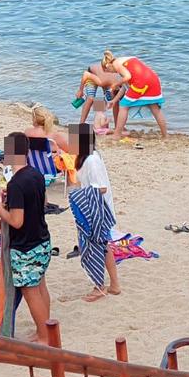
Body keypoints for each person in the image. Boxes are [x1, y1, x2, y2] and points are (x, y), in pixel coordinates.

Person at [0, 132, 53, 344]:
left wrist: (0, 210)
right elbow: (42, 203)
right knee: (40, 286)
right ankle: (45, 329)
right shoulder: (36, 174)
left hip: (26, 246)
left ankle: (45, 336)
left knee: (31, 291)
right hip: (42, 239)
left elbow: (16, 221)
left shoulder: (16, 183)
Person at [67, 123, 121, 302]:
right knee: (102, 246)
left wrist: (79, 196)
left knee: (97, 246)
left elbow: (101, 188)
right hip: (91, 208)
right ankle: (113, 285)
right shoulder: (84, 158)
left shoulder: (92, 160)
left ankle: (101, 286)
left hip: (97, 210)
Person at [104, 51, 168, 140]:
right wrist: (114, 101)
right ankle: (165, 135)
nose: (112, 73)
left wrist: (115, 85)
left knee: (123, 106)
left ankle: (117, 135)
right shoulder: (125, 61)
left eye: (109, 71)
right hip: (153, 80)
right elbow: (125, 87)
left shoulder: (116, 64)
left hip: (141, 83)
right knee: (154, 107)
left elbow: (127, 77)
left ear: (108, 65)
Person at [75, 58, 123, 126]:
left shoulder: (121, 81)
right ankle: (81, 124)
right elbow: (86, 74)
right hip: (90, 74)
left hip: (106, 77)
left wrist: (115, 100)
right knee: (90, 98)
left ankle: (116, 126)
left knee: (115, 101)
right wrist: (80, 90)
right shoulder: (102, 81)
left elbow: (117, 97)